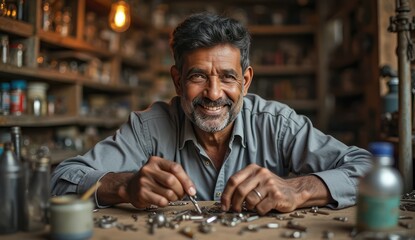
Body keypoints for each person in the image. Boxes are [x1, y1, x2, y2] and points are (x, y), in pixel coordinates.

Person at [51, 12, 372, 215]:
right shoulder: (147, 127)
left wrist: (298, 190)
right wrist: (124, 186)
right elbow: (59, 181)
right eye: (198, 76)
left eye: (228, 77)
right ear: (177, 80)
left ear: (245, 81)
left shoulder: (277, 123)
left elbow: (369, 170)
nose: (214, 94)